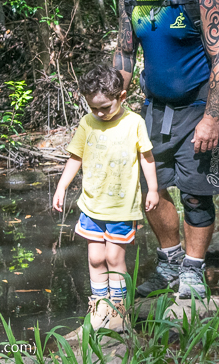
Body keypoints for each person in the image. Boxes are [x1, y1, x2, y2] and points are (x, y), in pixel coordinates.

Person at [114, 0, 219, 300]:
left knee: (196, 195)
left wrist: (212, 118)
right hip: (155, 110)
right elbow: (125, 53)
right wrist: (114, 105)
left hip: (200, 109)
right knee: (153, 188)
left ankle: (194, 271)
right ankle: (170, 262)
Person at [52, 64, 159, 331]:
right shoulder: (87, 123)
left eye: (105, 107)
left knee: (114, 257)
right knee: (95, 258)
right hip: (92, 205)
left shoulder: (134, 123)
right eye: (93, 108)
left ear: (121, 97)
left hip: (121, 207)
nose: (99, 113)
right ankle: (100, 306)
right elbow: (75, 157)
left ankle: (119, 309)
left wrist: (153, 189)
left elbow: (146, 157)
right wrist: (62, 186)